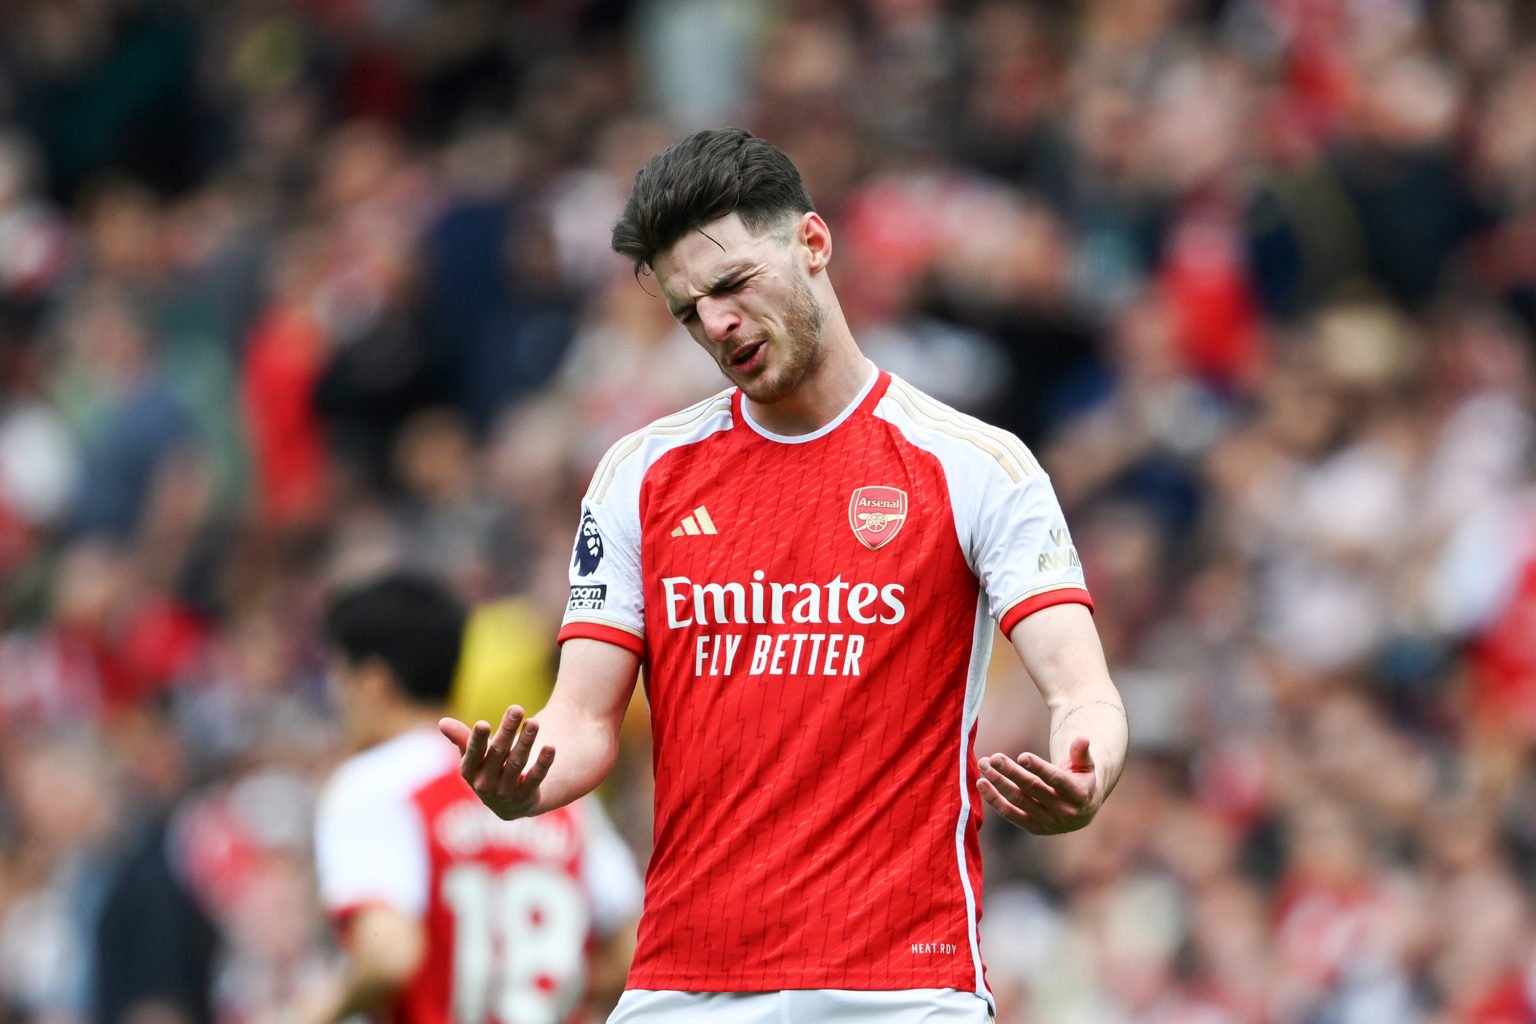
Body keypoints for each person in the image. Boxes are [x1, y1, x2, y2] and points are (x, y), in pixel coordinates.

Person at [440, 128, 1129, 1024]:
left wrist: (1087, 772)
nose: (717, 324)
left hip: (903, 991)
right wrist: (529, 783)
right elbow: (581, 721)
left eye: (731, 286)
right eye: (690, 311)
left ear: (812, 243)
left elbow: (1085, 691)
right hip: (685, 985)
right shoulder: (639, 475)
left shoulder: (975, 466)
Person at [311, 571, 642, 1024]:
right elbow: (631, 951)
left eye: (338, 678)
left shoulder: (372, 784)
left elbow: (389, 953)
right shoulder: (547, 790)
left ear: (372, 683)